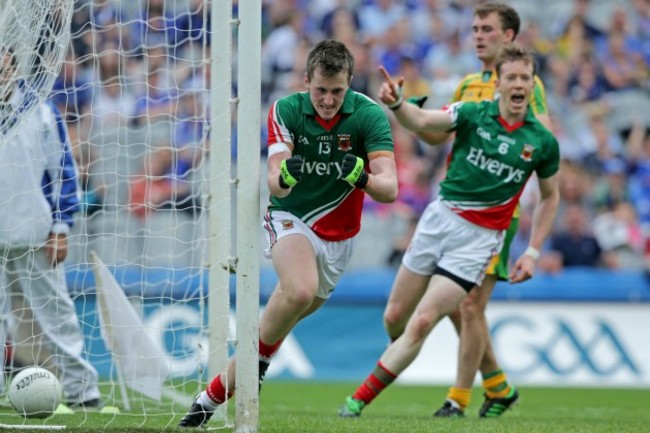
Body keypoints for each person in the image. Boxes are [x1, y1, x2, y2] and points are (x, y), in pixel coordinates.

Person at [179, 39, 399, 428]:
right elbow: (275, 181)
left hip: (340, 238)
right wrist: (285, 175)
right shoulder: (287, 109)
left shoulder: (368, 116)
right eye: (321, 90)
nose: (329, 100)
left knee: (271, 333)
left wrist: (360, 176)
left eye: (337, 91)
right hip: (291, 218)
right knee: (298, 290)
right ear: (305, 80)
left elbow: (390, 188)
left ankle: (207, 401)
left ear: (349, 83)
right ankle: (246, 374)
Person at [338, 43, 560, 419]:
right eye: (512, 77)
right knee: (395, 317)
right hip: (439, 221)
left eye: (526, 77)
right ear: (499, 84)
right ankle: (481, 381)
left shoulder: (542, 141)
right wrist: (397, 105)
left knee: (424, 319)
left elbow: (551, 197)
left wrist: (534, 250)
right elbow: (424, 123)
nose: (519, 84)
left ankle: (357, 401)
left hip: (478, 242)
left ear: (532, 84)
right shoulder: (473, 112)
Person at [384, 2, 552, 418]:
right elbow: (435, 135)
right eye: (475, 28)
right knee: (445, 309)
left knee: (470, 305)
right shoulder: (467, 86)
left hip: (497, 218)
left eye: (488, 29)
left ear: (509, 36)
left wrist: (533, 247)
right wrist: (406, 109)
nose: (478, 35)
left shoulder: (528, 85)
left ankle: (457, 401)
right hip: (453, 210)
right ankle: (496, 384)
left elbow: (545, 144)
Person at [0, 68, 101, 409]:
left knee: (57, 314)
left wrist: (61, 227)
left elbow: (64, 172)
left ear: (13, 64)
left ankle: (82, 391)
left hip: (35, 230)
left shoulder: (41, 111)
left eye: (4, 60)